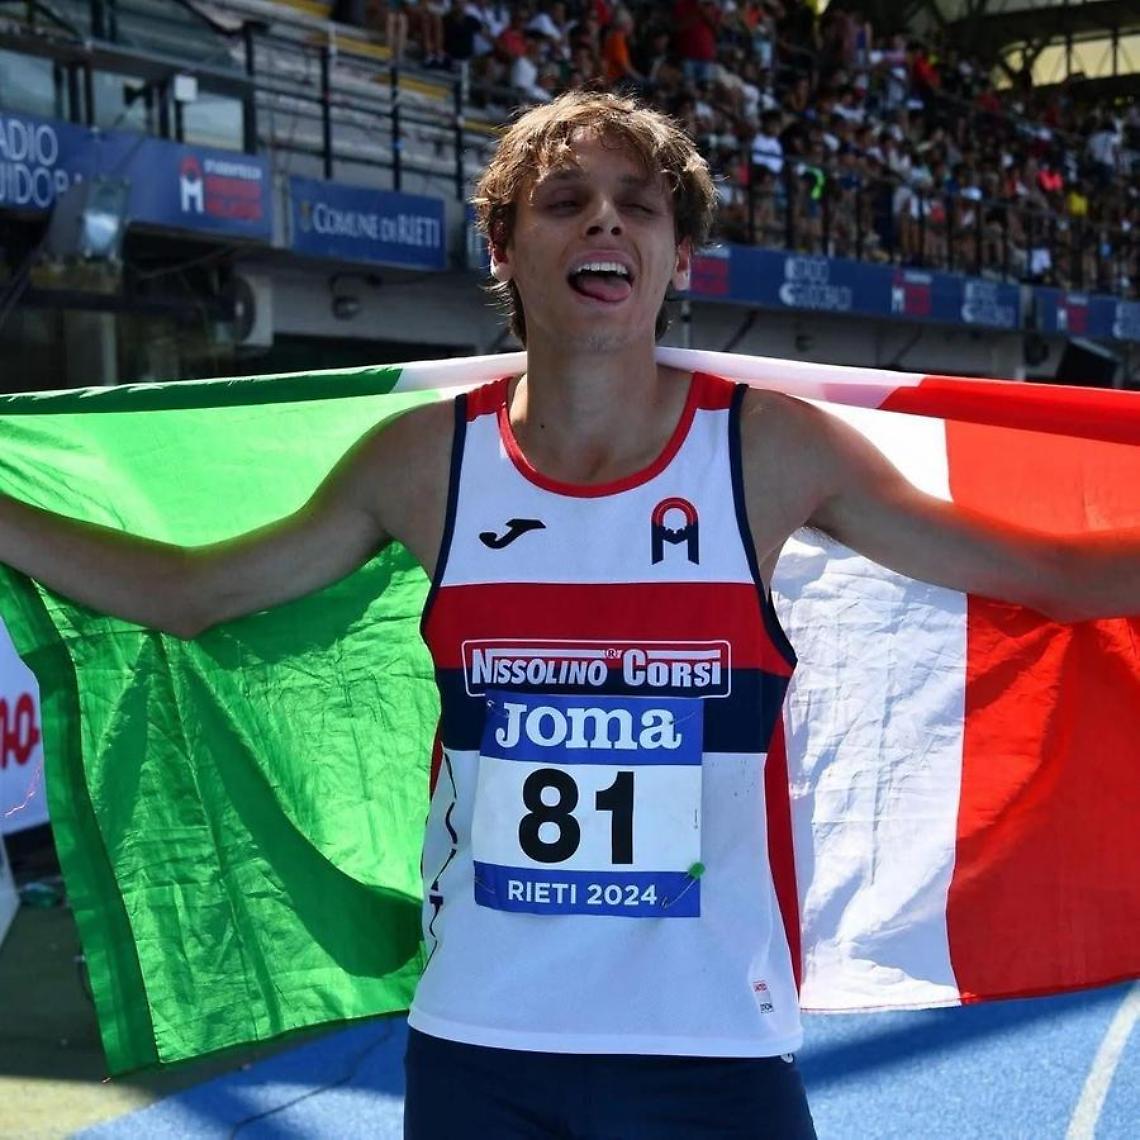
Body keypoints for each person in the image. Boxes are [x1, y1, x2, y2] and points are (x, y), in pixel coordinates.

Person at [1, 90, 1138, 1138]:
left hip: (714, 1055)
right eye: (565, 203)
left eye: (637, 208)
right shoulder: (424, 466)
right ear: (503, 248)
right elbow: (193, 597)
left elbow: (1046, 575)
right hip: (483, 1051)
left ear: (676, 254)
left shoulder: (766, 451)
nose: (606, 225)